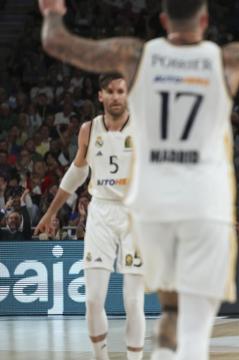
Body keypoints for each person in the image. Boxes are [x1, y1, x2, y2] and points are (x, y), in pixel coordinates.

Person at [39, 0, 239, 359]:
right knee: (194, 326)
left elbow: (56, 43)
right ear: (204, 20)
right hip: (204, 203)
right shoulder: (226, 60)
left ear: (162, 20)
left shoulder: (135, 56)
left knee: (171, 311)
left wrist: (51, 12)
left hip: (151, 206)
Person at [34, 74, 145, 360]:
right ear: (101, 96)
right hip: (101, 211)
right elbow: (78, 172)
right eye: (111, 91)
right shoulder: (88, 129)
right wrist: (50, 211)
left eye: (121, 91)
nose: (116, 96)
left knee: (133, 301)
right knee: (94, 300)